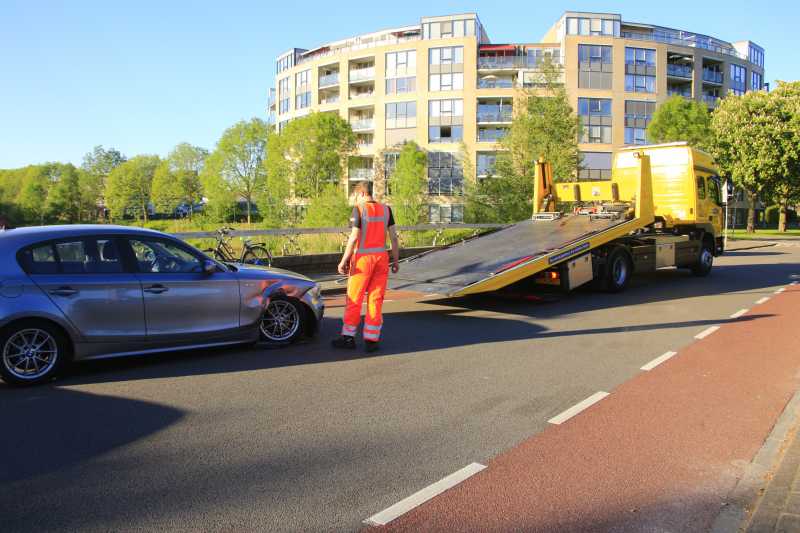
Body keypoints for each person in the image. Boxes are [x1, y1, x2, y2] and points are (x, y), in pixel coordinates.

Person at [332, 182, 399, 352]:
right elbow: (394, 237)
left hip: (362, 258)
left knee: (354, 299)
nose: (355, 198)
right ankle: (371, 341)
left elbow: (354, 238)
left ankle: (348, 338)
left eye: (355, 194)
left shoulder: (359, 209)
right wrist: (396, 260)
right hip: (382, 258)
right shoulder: (386, 209)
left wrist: (343, 260)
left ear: (362, 193)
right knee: (375, 300)